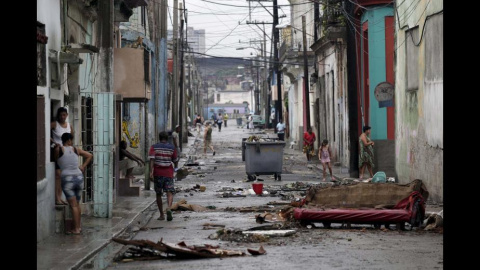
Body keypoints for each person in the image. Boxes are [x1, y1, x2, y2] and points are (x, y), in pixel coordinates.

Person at [54, 133, 93, 235]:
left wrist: (56, 147)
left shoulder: (59, 149)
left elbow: (55, 159)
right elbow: (90, 155)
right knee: (77, 204)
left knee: (73, 205)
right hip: (79, 177)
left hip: (68, 179)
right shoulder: (76, 150)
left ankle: (76, 229)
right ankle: (78, 227)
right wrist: (83, 166)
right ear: (69, 140)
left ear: (63, 140)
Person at [149, 131, 179, 221]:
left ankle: (162, 215)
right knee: (169, 192)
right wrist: (176, 168)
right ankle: (169, 208)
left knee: (158, 194)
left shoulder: (154, 147)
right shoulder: (172, 148)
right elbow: (175, 160)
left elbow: (152, 160)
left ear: (159, 138)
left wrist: (151, 172)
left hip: (158, 173)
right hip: (168, 173)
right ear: (167, 138)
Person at [51, 107, 75, 205]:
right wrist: (53, 142)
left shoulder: (69, 126)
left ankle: (60, 198)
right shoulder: (54, 124)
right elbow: (43, 129)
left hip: (66, 153)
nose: (62, 117)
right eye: (61, 115)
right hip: (57, 151)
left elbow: (71, 139)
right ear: (58, 115)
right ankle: (57, 198)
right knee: (58, 175)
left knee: (63, 176)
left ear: (67, 115)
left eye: (64, 115)